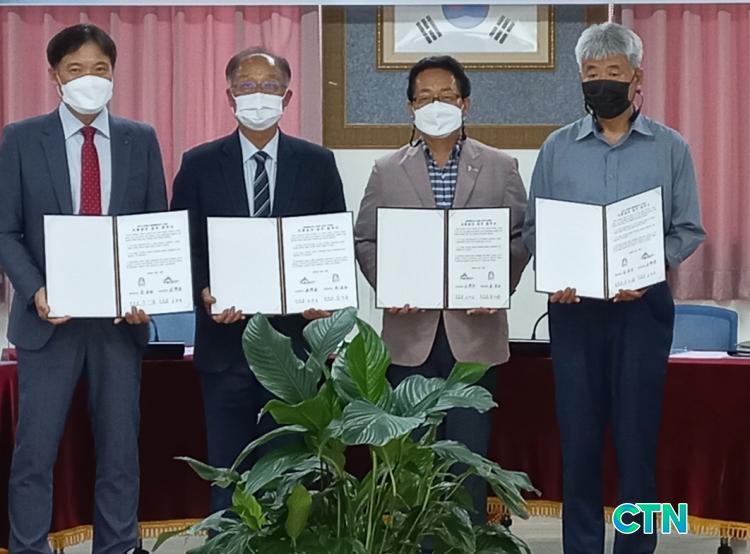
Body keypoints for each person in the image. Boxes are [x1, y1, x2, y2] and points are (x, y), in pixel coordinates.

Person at [522, 23, 705, 554]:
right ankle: (581, 547)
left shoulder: (670, 147)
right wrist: (555, 274)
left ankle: (636, 547)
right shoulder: (557, 148)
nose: (601, 82)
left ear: (636, 78)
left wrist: (649, 268)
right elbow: (535, 229)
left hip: (642, 312)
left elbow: (687, 228)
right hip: (574, 312)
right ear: (580, 79)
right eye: (591, 73)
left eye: (613, 72)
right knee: (578, 442)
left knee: (637, 442)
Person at [0, 24, 167, 554]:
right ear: (54, 75)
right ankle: (28, 547)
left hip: (119, 326)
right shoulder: (21, 138)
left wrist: (148, 295)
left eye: (100, 69)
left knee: (120, 453)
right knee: (35, 454)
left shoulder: (141, 138)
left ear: (114, 74)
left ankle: (117, 546)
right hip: (48, 322)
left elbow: (154, 229)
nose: (89, 79)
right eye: (75, 69)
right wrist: (35, 291)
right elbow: (5, 230)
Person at [170, 47, 347, 514]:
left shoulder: (318, 163)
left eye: (269, 86)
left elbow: (331, 242)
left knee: (291, 478)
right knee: (228, 474)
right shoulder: (198, 163)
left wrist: (323, 296)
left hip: (296, 351)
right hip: (224, 347)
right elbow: (184, 246)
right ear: (230, 96)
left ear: (287, 96)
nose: (258, 95)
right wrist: (204, 291)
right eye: (246, 86)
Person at [354, 55, 530, 522]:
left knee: (466, 463)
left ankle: (464, 540)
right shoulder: (386, 170)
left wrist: (497, 286)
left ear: (465, 103)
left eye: (446, 96)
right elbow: (365, 239)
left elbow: (520, 238)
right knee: (411, 463)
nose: (436, 105)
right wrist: (388, 285)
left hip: (475, 338)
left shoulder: (501, 166)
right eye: (425, 97)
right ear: (411, 107)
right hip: (408, 338)